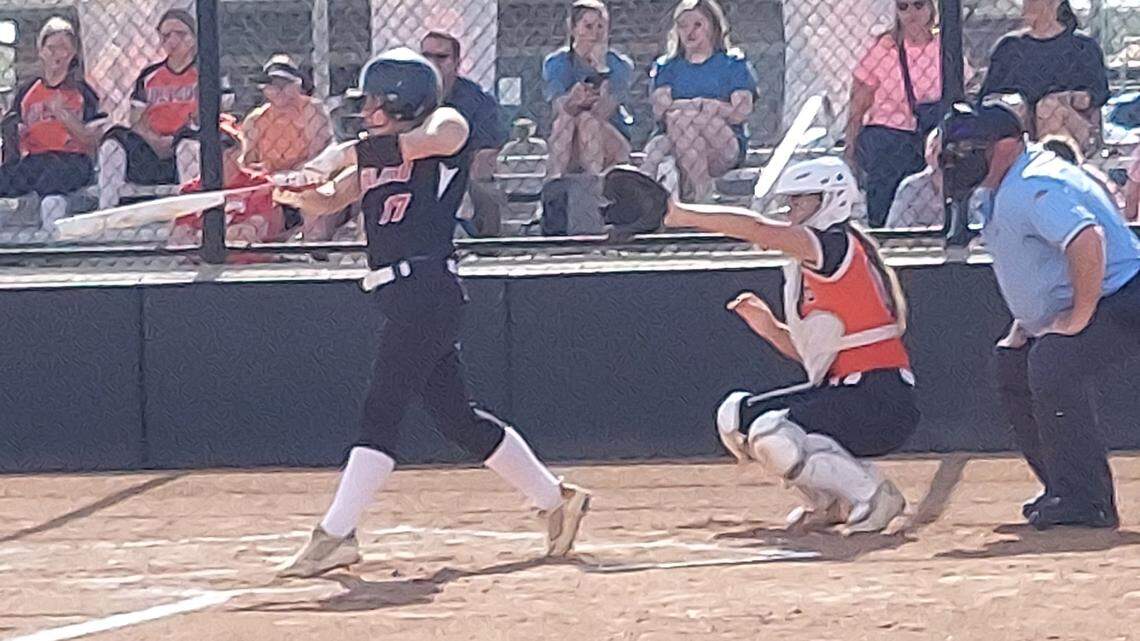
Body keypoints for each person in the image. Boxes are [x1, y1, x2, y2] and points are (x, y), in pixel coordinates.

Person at [274, 49, 590, 578]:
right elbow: (330, 200)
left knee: (382, 409)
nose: (367, 110)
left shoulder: (445, 123)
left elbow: (436, 140)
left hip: (427, 289)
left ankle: (335, 535)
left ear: (401, 99)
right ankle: (556, 499)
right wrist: (291, 189)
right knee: (455, 418)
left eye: (374, 101)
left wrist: (341, 153)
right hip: (403, 295)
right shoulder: (377, 156)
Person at [662, 157, 918, 534]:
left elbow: (757, 229)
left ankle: (875, 494)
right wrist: (769, 329)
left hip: (880, 399)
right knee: (738, 417)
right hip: (849, 391)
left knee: (772, 432)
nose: (791, 209)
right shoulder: (816, 261)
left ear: (830, 199)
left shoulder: (834, 246)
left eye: (800, 200)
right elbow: (816, 360)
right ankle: (829, 500)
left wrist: (679, 213)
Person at [941, 100, 1140, 529]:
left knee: (1054, 362)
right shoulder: (1008, 184)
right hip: (1105, 294)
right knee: (1016, 363)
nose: (959, 158)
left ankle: (1089, 503)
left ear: (1008, 146)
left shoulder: (1034, 183)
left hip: (1125, 296)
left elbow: (1086, 238)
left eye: (972, 147)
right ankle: (1066, 488)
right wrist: (1028, 324)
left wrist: (1080, 316)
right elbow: (1038, 263)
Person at [641, 0, 757, 203]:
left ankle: (694, 189)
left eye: (697, 25)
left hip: (721, 142)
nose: (689, 32)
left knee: (681, 118)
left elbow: (740, 112)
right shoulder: (667, 66)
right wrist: (705, 105)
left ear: (712, 27)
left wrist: (690, 108)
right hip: (675, 140)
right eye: (683, 25)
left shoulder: (732, 64)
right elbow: (661, 109)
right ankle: (702, 189)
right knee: (678, 121)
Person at [845, 0, 947, 228]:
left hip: (933, 128)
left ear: (932, 8)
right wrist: (850, 143)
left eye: (919, 5)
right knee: (886, 161)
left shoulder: (943, 45)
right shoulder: (885, 48)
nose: (912, 13)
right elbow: (859, 100)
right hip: (889, 129)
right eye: (904, 7)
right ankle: (880, 229)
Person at [0, 17, 105, 232]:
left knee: (51, 180)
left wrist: (63, 114)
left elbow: (92, 140)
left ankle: (50, 234)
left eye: (64, 48)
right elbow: (13, 131)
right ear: (41, 51)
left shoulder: (83, 91)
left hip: (71, 160)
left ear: (73, 54)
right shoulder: (28, 91)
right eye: (51, 48)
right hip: (36, 159)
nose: (57, 54)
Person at [98, 9, 199, 209]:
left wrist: (177, 138)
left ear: (194, 37)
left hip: (191, 145)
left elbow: (216, 114)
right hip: (153, 149)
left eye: (181, 34)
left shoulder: (206, 72)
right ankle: (107, 210)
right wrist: (154, 140)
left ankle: (193, 212)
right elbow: (136, 119)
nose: (173, 40)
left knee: (188, 142)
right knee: (114, 139)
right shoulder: (149, 75)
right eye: (166, 35)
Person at [978, 0, 1108, 150]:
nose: (1028, 5)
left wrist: (1066, 98)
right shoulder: (1009, 48)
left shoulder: (1082, 47)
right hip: (1022, 124)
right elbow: (988, 97)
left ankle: (1052, 157)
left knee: (1049, 109)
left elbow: (1096, 96)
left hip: (1071, 124)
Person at [420, 31, 509, 237]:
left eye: (441, 57)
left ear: (457, 62)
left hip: (460, 173)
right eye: (426, 57)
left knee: (483, 185)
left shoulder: (478, 100)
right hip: (415, 171)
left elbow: (485, 152)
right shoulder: (407, 96)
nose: (433, 63)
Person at [542, 0, 634, 180]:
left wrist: (601, 69)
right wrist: (573, 99)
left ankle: (594, 185)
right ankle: (554, 183)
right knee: (565, 122)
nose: (595, 34)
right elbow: (560, 108)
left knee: (587, 120)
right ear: (574, 28)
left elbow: (604, 111)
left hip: (610, 138)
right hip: (570, 139)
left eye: (601, 27)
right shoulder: (557, 62)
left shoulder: (619, 64)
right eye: (588, 26)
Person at [169, 115, 283, 250]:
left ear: (238, 150)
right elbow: (179, 237)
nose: (215, 154)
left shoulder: (258, 184)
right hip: (200, 265)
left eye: (223, 146)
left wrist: (200, 236)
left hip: (248, 264)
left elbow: (250, 232)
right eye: (207, 147)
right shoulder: (190, 190)